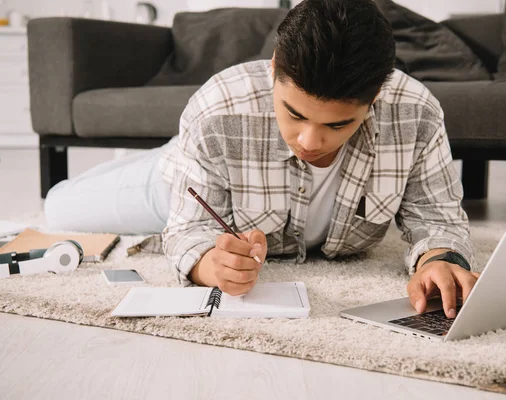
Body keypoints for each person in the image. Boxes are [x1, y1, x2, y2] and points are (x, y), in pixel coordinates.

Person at [44, 0, 479, 319]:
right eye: (294, 114)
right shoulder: (217, 108)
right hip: (182, 180)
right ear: (274, 70)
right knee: (58, 208)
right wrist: (207, 264)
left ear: (376, 97)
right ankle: (175, 152)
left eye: (338, 124)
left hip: (213, 154)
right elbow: (190, 228)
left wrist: (441, 259)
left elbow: (436, 217)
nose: (310, 141)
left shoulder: (417, 113)